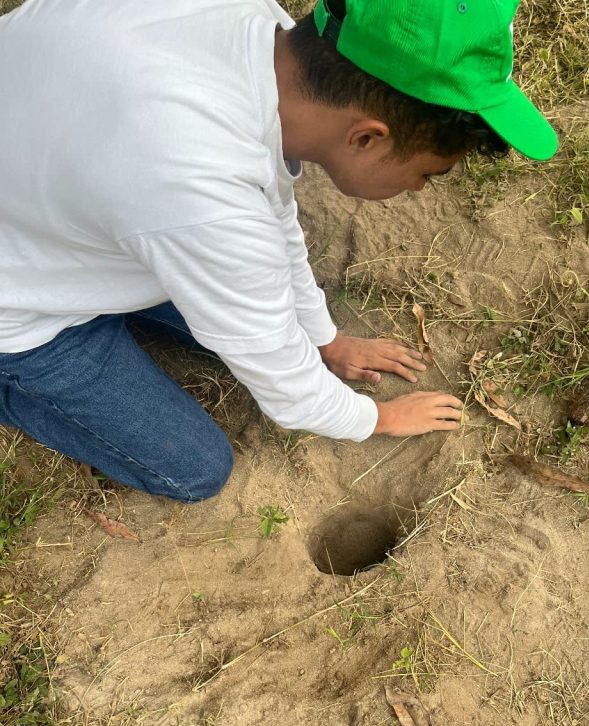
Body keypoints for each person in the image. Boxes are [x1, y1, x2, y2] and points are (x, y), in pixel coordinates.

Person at [0, 0, 557, 503]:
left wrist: (326, 340)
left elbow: (271, 212)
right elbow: (288, 390)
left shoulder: (254, 25)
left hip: (53, 201)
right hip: (20, 302)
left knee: (253, 303)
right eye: (427, 174)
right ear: (367, 137)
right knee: (196, 469)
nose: (417, 189)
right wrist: (378, 418)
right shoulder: (203, 195)